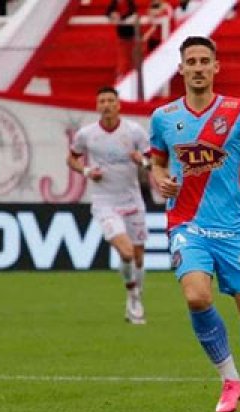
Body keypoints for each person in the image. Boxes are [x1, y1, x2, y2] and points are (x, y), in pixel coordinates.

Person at [149, 36, 240, 412]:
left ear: (216, 67)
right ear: (182, 68)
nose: (199, 67)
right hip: (187, 223)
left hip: (234, 225)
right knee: (196, 296)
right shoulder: (164, 116)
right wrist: (160, 178)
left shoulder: (239, 111)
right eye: (192, 61)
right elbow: (156, 161)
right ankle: (230, 379)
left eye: (206, 61)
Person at [67, 86, 152, 325]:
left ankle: (136, 295)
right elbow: (71, 157)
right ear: (97, 106)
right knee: (125, 251)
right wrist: (86, 170)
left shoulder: (134, 131)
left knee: (138, 257)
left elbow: (154, 161)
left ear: (118, 105)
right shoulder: (87, 134)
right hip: (105, 202)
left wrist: (143, 161)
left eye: (110, 100)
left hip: (133, 201)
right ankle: (133, 295)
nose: (106, 105)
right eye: (102, 100)